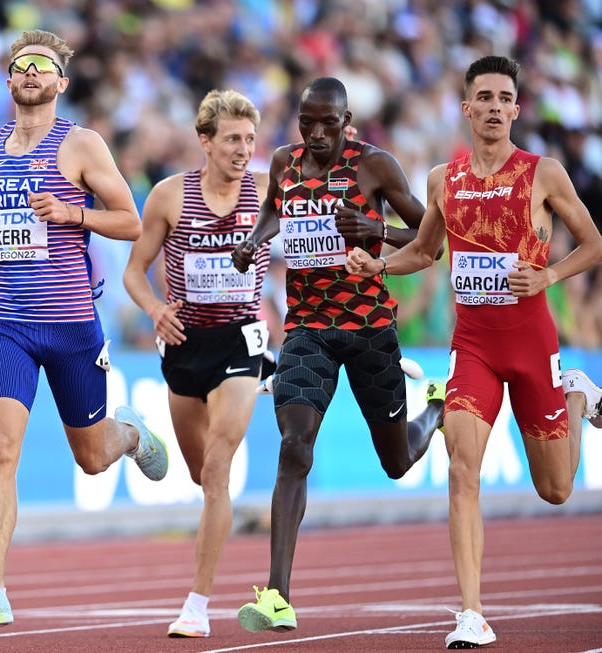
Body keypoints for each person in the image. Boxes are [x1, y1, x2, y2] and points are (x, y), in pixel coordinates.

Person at [0, 29, 168, 632]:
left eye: (42, 67)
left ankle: (129, 434)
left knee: (93, 458)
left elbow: (131, 222)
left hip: (72, 322)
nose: (31, 73)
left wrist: (71, 212)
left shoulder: (80, 145)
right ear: (8, 80)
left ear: (60, 83)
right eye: (22, 65)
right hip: (7, 321)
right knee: (0, 449)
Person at [345, 55, 602, 649]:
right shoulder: (443, 178)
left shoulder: (545, 174)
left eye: (503, 98)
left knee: (556, 489)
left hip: (532, 341)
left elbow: (593, 244)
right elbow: (425, 252)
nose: (492, 106)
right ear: (466, 107)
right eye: (482, 96)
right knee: (463, 473)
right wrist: (379, 263)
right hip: (474, 347)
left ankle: (579, 397)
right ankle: (470, 613)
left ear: (515, 108)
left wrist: (550, 276)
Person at [229, 76, 446, 634]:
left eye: (329, 123)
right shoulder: (284, 161)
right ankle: (278, 594)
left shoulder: (375, 166)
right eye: (308, 123)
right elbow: (275, 212)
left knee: (396, 464)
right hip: (307, 330)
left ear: (348, 121)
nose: (318, 133)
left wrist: (377, 229)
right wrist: (255, 241)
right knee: (294, 446)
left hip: (370, 328)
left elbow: (431, 237)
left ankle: (436, 411)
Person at [122, 89, 270, 638]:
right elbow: (134, 272)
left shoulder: (266, 194)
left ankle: (197, 604)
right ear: (205, 141)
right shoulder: (169, 197)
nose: (243, 149)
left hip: (239, 342)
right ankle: (138, 439)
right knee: (196, 473)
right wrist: (157, 309)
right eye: (232, 138)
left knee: (216, 473)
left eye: (250, 139)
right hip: (184, 345)